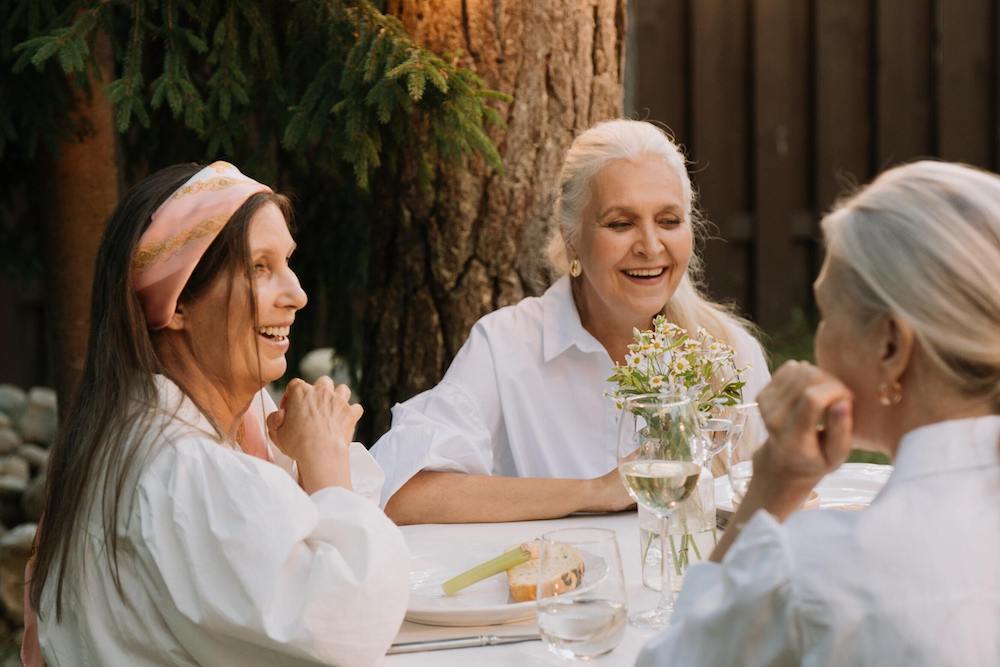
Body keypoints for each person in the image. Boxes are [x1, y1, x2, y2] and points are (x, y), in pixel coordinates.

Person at [25, 162, 408, 666]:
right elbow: (343, 629)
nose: (297, 294)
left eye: (287, 262)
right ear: (177, 303)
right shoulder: (182, 466)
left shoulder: (149, 429)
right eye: (259, 268)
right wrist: (326, 465)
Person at [638, 160, 1000, 666]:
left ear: (891, 346)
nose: (814, 346)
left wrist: (769, 489)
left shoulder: (818, 568)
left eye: (827, 316)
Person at [371, 119, 770, 524]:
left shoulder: (729, 352)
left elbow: (773, 513)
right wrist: (598, 491)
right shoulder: (507, 345)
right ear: (571, 235)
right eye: (620, 223)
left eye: (669, 221)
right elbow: (400, 493)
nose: (651, 246)